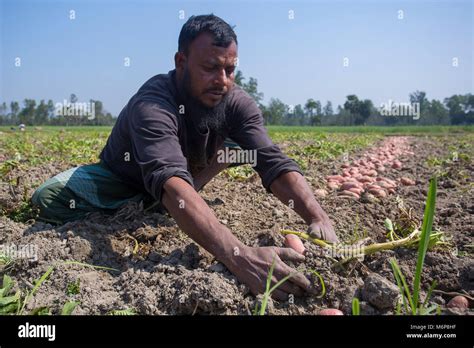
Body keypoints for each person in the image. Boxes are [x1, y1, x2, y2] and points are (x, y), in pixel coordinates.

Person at [32, 14, 338, 300]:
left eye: (230, 69)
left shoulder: (235, 102)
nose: (222, 80)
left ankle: (184, 199)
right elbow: (169, 178)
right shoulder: (153, 104)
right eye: (210, 68)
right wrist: (239, 256)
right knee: (48, 195)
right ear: (181, 61)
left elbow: (273, 161)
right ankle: (154, 205)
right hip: (126, 179)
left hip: (186, 176)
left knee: (236, 150)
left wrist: (317, 216)